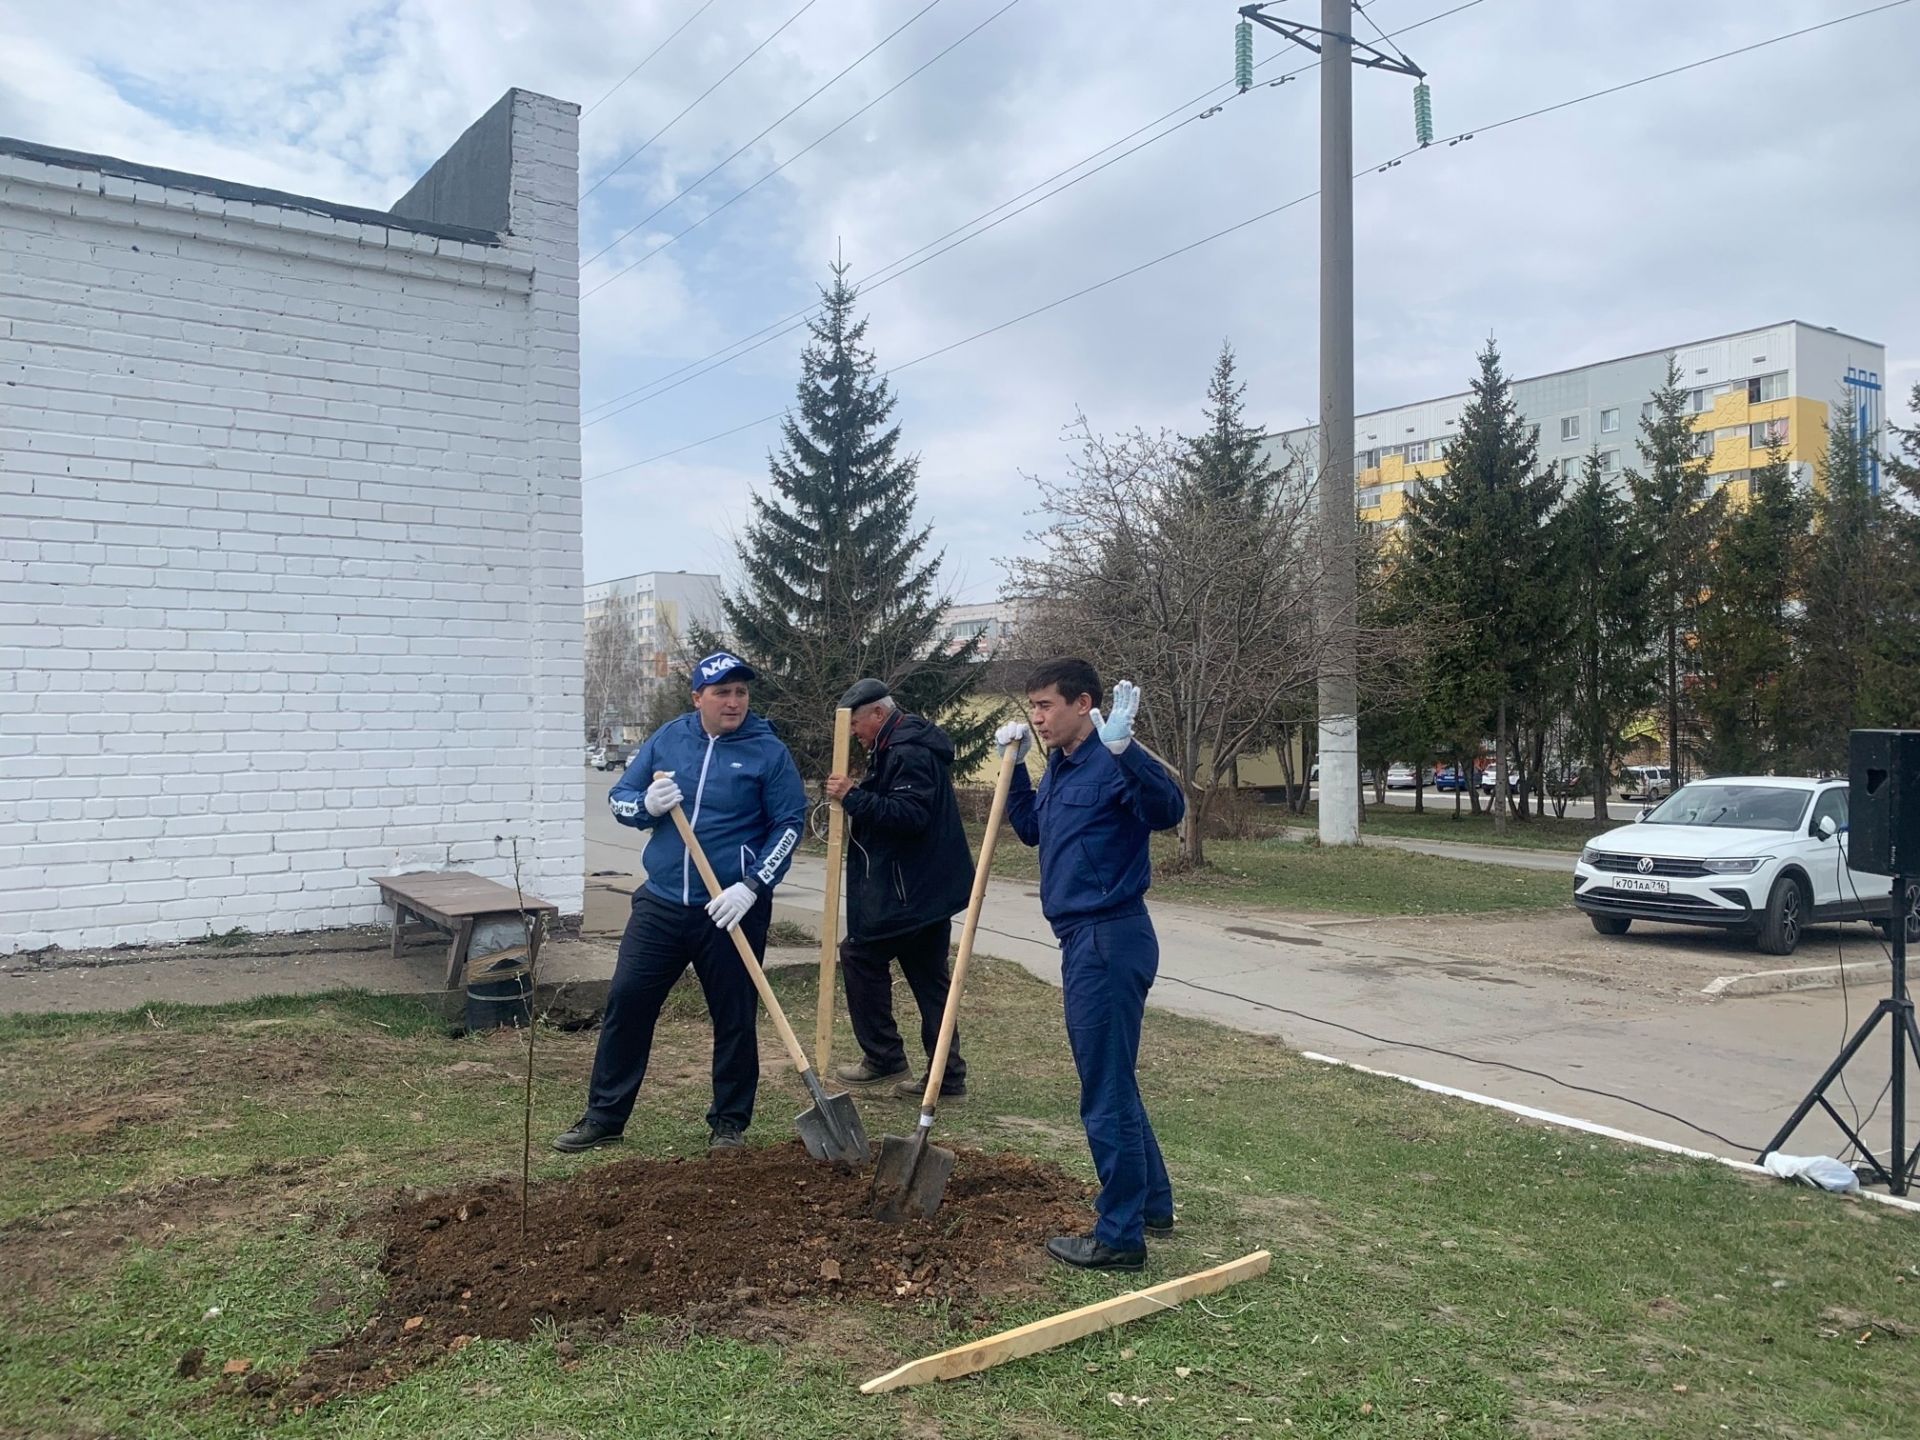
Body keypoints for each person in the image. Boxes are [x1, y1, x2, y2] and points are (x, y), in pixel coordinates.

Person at [554, 652, 807, 1157]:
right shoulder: (669, 738)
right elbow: (621, 797)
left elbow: (789, 824)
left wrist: (752, 885)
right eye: (722, 693)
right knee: (627, 1002)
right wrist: (645, 805)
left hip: (731, 908)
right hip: (663, 903)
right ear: (698, 698)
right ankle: (605, 1117)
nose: (733, 701)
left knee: (734, 1016)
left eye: (740, 692)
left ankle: (729, 1125)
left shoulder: (767, 752)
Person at [999, 659, 1185, 1271]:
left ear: (1085, 704)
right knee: (1114, 1077)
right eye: (1032, 707)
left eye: (1046, 706)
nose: (1038, 716)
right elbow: (1032, 830)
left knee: (1103, 1089)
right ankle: (1152, 1202)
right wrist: (1018, 767)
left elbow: (1167, 810)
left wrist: (1128, 749)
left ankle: (1120, 1236)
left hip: (1110, 937)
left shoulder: (1110, 759)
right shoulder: (1062, 766)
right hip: (1083, 940)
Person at [824, 678, 975, 1098]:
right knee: (929, 979)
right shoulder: (899, 745)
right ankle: (948, 1075)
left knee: (859, 953)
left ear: (878, 713)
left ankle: (884, 1057)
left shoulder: (907, 750)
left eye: (855, 723)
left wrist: (853, 797)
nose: (853, 732)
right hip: (924, 888)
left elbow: (909, 815)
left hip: (910, 890)